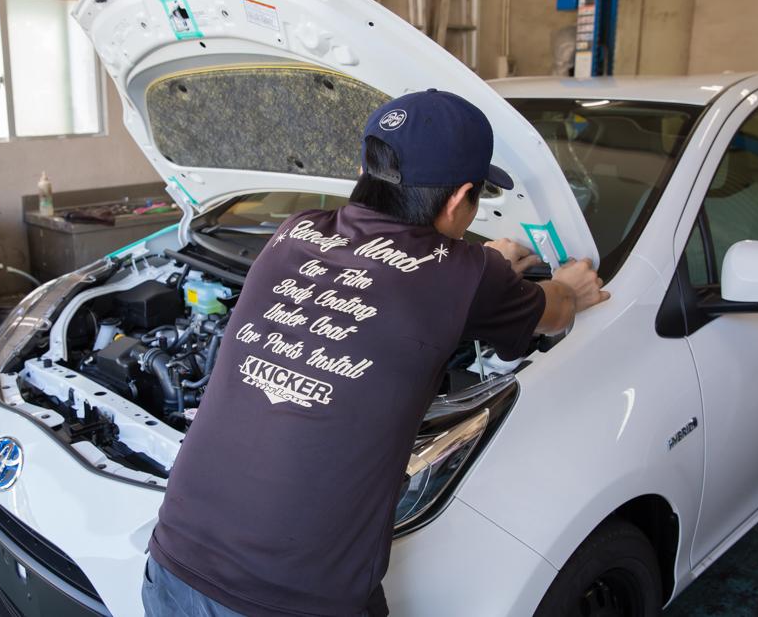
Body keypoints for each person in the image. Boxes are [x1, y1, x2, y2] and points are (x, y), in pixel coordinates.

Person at [142, 90, 609, 616]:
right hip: (293, 600)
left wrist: (484, 268)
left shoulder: (294, 231)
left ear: (365, 169)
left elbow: (398, 276)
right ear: (459, 198)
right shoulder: (466, 274)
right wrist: (568, 286)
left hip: (172, 563)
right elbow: (558, 310)